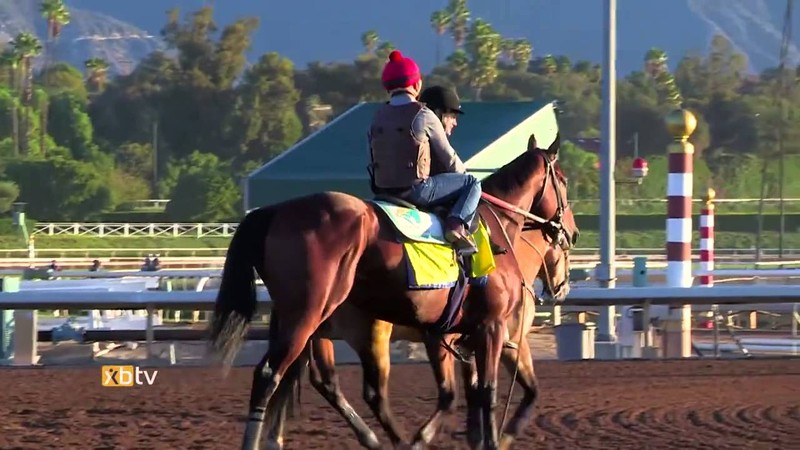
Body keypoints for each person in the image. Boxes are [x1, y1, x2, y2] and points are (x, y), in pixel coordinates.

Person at [367, 50, 481, 253]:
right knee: (472, 183)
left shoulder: (377, 116)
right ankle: (456, 226)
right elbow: (450, 160)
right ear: (417, 85)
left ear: (387, 88)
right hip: (417, 191)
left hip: (381, 190)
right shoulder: (424, 115)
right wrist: (465, 183)